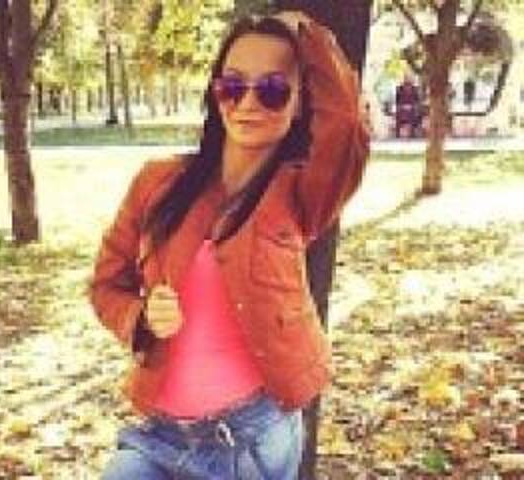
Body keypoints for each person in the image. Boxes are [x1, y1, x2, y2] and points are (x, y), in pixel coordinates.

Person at [90, 10, 369, 480]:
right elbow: (105, 285)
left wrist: (306, 31)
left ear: (300, 103)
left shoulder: (303, 194)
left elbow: (346, 121)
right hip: (158, 435)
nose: (247, 103)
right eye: (233, 86)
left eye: (273, 89)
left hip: (250, 441)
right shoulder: (157, 182)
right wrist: (140, 318)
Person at [394, 73, 421, 138]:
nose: (408, 79)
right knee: (400, 112)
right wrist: (402, 106)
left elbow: (417, 100)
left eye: (409, 78)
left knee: (415, 112)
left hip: (412, 107)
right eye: (406, 78)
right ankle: (398, 133)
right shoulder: (399, 88)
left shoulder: (415, 89)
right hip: (402, 107)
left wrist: (412, 106)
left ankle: (412, 132)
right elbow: (397, 101)